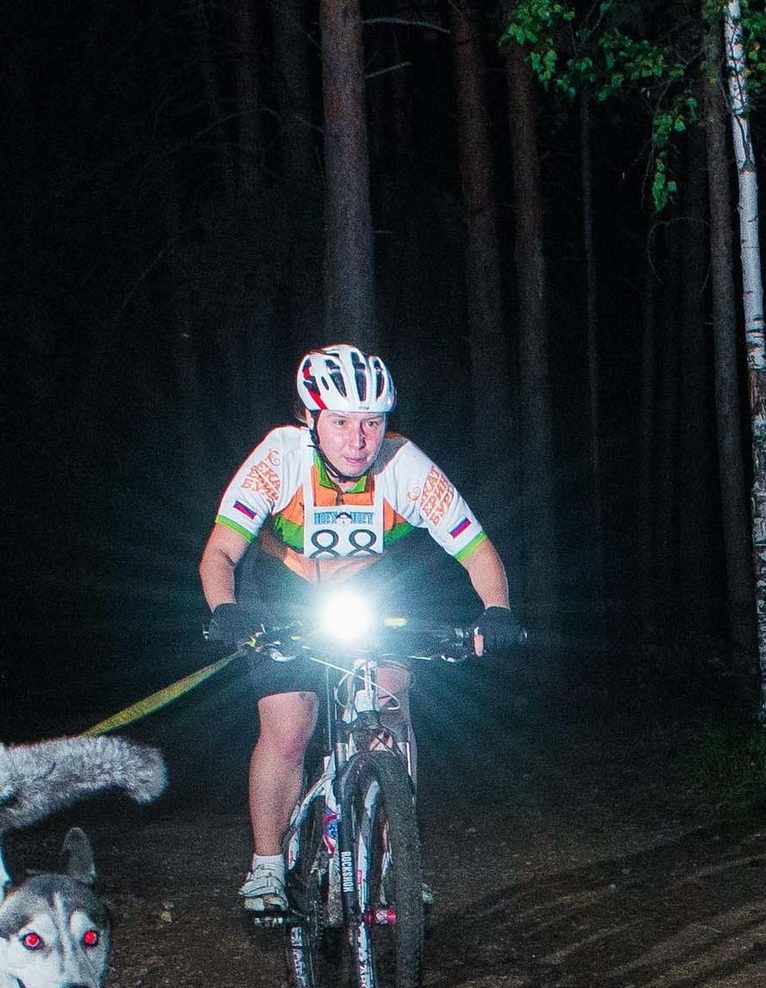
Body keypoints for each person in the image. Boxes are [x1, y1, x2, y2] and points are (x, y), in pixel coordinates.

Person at [196, 344, 525, 915]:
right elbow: (219, 553)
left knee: (389, 706)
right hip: (282, 589)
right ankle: (269, 866)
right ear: (310, 420)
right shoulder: (279, 458)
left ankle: (399, 860)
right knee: (289, 722)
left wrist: (496, 610)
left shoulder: (406, 467)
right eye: (342, 422)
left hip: (369, 591)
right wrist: (225, 611)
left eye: (372, 423)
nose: (358, 439)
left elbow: (476, 549)